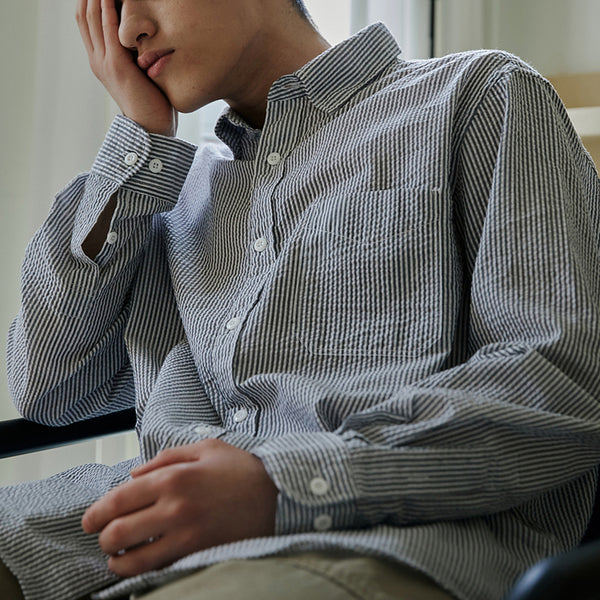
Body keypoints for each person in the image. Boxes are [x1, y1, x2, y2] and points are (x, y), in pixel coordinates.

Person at [1, 0, 600, 599]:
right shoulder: (168, 200)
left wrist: (280, 485)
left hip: (376, 546)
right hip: (115, 545)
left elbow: (561, 376)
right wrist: (138, 139)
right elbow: (47, 385)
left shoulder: (480, 95)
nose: (128, 30)